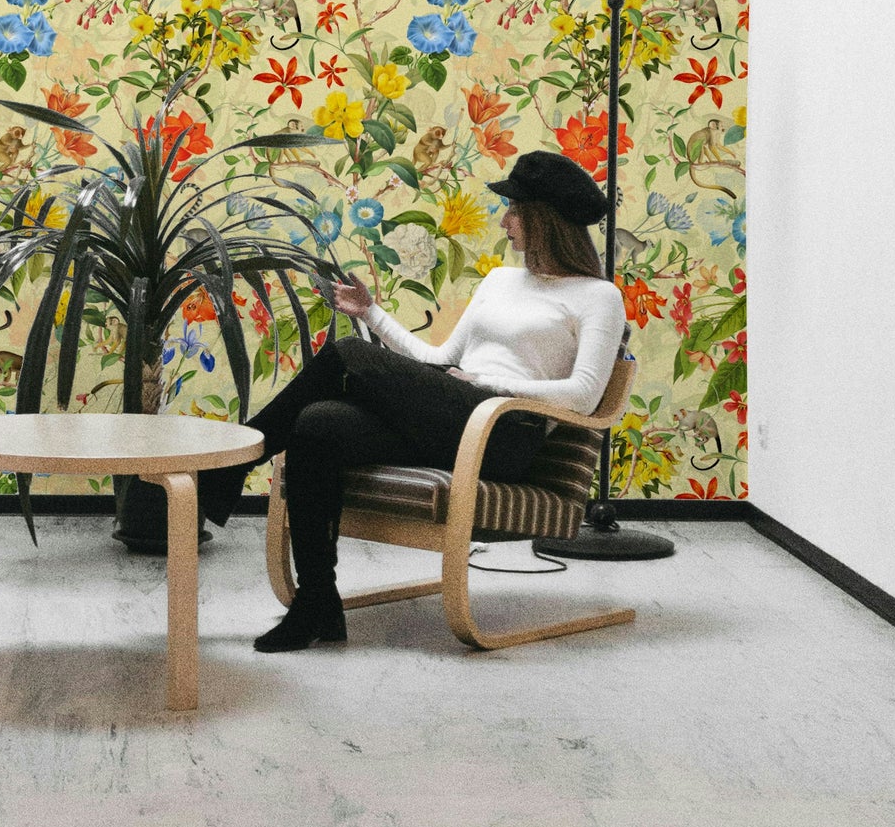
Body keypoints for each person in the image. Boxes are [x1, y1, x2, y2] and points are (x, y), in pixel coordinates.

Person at [201, 149, 627, 652]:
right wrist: (372, 314)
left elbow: (585, 395)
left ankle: (232, 463)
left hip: (504, 434)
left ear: (544, 218)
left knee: (346, 354)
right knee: (318, 423)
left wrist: (489, 385)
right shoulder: (500, 281)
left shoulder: (599, 297)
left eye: (514, 210)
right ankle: (317, 602)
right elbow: (438, 358)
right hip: (453, 417)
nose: (505, 221)